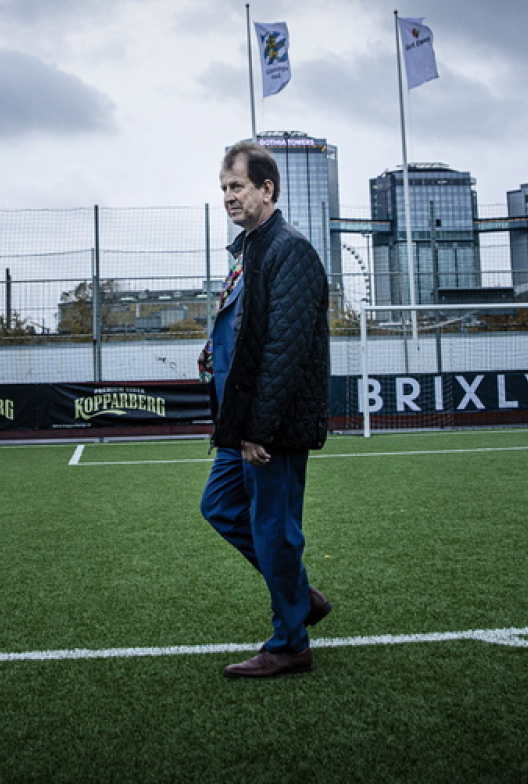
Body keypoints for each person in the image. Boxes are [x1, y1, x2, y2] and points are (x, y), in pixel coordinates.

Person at [198, 139, 331, 678]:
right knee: (219, 506)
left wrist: (261, 429)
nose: (229, 197)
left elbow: (285, 350)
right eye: (224, 188)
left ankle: (290, 643)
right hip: (240, 422)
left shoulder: (288, 249)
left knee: (275, 530)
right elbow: (248, 333)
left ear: (266, 189)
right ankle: (301, 596)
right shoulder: (251, 249)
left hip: (268, 428)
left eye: (238, 187)